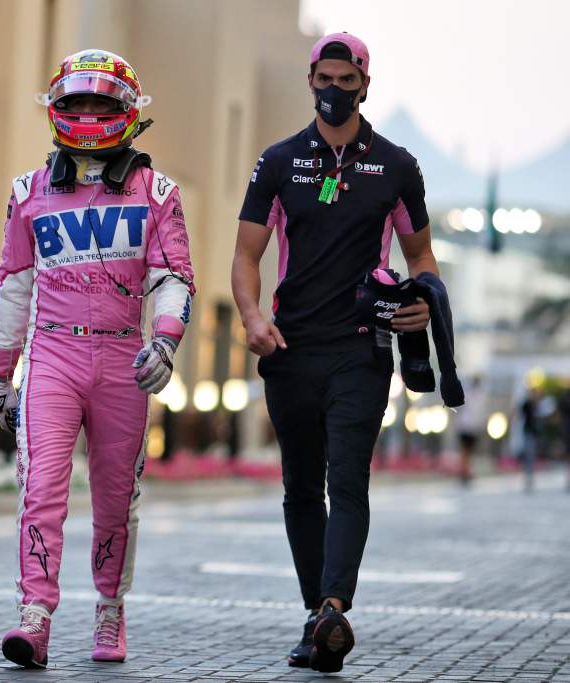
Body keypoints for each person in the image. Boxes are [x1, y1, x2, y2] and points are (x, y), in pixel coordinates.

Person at [231, 33, 437, 673]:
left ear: (365, 85)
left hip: (361, 348)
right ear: (310, 78)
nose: (335, 90)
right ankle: (317, 619)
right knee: (300, 486)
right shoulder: (278, 161)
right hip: (291, 348)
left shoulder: (396, 167)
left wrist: (424, 300)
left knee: (347, 478)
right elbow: (246, 255)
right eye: (326, 77)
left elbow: (421, 256)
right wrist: (252, 316)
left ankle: (333, 606)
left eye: (347, 80)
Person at [0, 49, 195, 668]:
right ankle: (35, 618)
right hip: (51, 354)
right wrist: (2, 376)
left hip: (123, 360)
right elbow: (13, 284)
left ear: (128, 113)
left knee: (115, 497)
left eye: (100, 103)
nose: (86, 114)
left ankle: (110, 611)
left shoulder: (157, 192)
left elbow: (174, 276)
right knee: (41, 486)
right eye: (76, 102)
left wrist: (164, 341)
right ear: (54, 109)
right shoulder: (28, 190)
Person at [456, 376, 486, 485]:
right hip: (466, 426)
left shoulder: (479, 395)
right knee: (465, 452)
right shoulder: (468, 394)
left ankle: (466, 471)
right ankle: (465, 472)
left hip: (471, 427)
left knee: (468, 452)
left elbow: (480, 413)